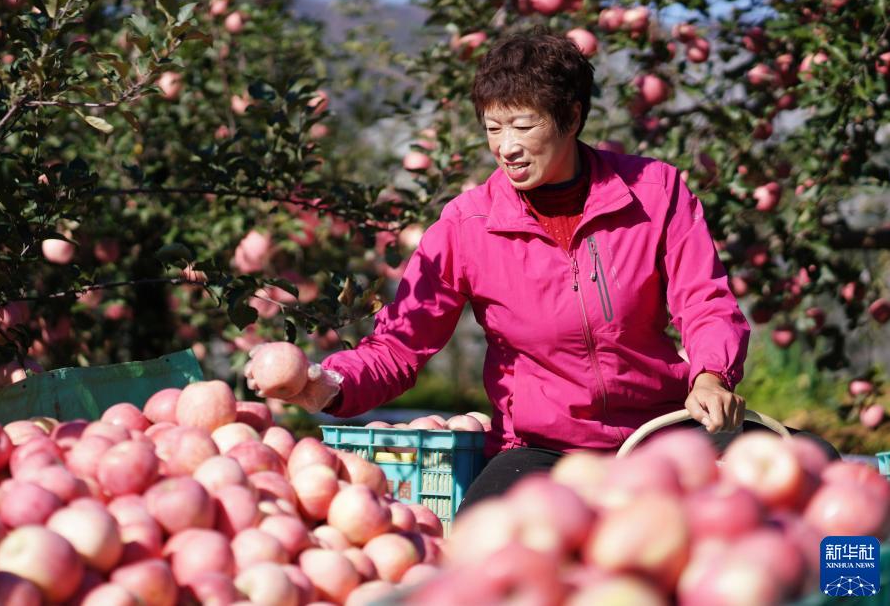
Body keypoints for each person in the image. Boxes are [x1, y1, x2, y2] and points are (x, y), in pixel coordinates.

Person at [244, 28, 838, 511]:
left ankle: (856, 594)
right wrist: (325, 383)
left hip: (665, 431)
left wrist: (711, 375)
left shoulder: (655, 192)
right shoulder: (467, 224)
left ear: (572, 118)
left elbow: (704, 301)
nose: (506, 146)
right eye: (493, 128)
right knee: (483, 549)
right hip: (543, 450)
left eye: (523, 125)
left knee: (828, 480)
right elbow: (401, 344)